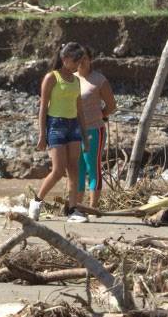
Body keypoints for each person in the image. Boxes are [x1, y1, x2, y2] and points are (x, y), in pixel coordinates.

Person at [29, 42, 88, 223]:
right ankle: (36, 201)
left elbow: (79, 110)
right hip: (56, 125)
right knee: (58, 170)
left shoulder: (77, 81)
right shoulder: (52, 77)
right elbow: (43, 107)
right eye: (75, 61)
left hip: (73, 126)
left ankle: (72, 210)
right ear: (65, 59)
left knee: (74, 168)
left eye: (80, 62)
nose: (78, 65)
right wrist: (42, 135)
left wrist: (85, 135)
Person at [77, 45, 117, 208]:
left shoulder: (98, 80)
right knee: (76, 168)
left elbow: (111, 105)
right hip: (73, 131)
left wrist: (101, 115)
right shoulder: (70, 79)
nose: (81, 62)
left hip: (93, 129)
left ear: (90, 59)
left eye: (84, 58)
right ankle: (76, 206)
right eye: (78, 58)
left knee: (92, 166)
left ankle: (93, 207)